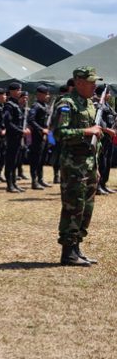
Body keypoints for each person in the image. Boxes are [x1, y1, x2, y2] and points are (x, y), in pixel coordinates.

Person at [53, 66, 104, 266]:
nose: (94, 86)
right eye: (91, 82)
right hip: (73, 164)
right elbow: (58, 133)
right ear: (79, 83)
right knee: (73, 207)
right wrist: (86, 131)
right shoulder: (67, 104)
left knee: (86, 208)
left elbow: (95, 140)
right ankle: (67, 252)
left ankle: (77, 248)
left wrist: (96, 166)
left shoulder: (89, 104)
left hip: (89, 164)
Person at [27, 85, 53, 190]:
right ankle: (34, 181)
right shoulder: (36, 106)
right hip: (37, 137)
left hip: (45, 137)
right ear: (40, 95)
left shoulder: (46, 106)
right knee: (35, 159)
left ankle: (40, 179)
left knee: (42, 159)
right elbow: (31, 120)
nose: (48, 96)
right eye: (46, 94)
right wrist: (42, 129)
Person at [3, 83, 28, 193]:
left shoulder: (17, 105)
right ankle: (9, 184)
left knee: (15, 161)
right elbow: (8, 123)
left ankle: (14, 183)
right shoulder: (9, 105)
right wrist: (20, 130)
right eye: (18, 90)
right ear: (12, 91)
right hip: (11, 137)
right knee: (10, 161)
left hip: (17, 137)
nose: (20, 92)